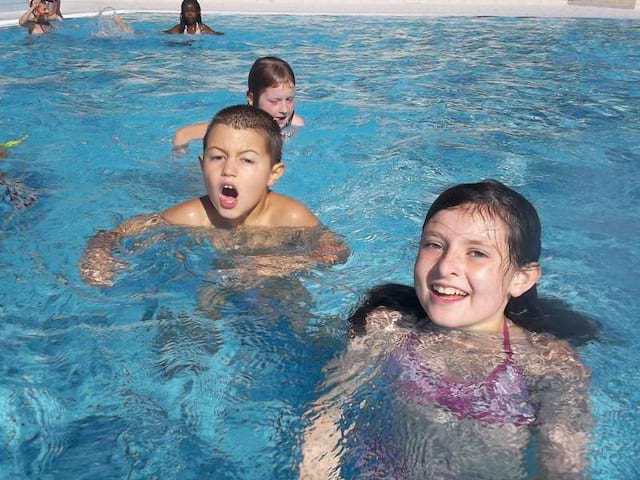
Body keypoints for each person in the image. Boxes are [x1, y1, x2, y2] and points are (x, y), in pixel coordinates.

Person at [300, 180, 592, 480]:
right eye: (434, 244)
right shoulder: (388, 330)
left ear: (520, 278)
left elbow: (563, 463)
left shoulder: (546, 364)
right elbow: (329, 410)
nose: (446, 266)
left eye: (477, 253)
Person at [80, 105, 348, 286]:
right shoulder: (194, 215)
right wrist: (99, 251)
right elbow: (119, 232)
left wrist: (279, 264)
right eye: (217, 157)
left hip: (275, 285)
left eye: (247, 161)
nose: (228, 170)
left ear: (273, 174)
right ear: (201, 165)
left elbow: (335, 251)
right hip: (214, 280)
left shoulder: (289, 215)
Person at [172, 56, 303, 148]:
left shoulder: (294, 124)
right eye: (275, 101)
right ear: (251, 99)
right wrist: (179, 156)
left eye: (289, 99)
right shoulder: (236, 125)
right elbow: (183, 134)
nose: (284, 109)